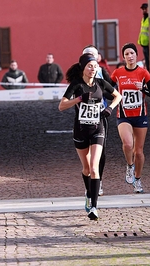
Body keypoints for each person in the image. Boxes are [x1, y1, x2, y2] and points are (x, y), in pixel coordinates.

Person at [58, 53, 122, 220]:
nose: (93, 69)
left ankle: (94, 207)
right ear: (83, 68)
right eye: (90, 66)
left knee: (95, 168)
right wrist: (79, 98)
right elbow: (61, 106)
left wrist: (109, 108)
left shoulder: (101, 83)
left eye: (95, 66)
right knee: (86, 169)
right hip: (80, 131)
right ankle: (88, 193)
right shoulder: (76, 85)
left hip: (97, 129)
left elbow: (118, 96)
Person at [110, 42, 150, 193]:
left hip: (140, 116)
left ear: (136, 55)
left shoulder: (143, 73)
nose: (130, 56)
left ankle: (138, 180)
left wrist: (143, 88)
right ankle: (129, 165)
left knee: (138, 151)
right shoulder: (117, 73)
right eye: (126, 54)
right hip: (124, 115)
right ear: (123, 57)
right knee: (127, 144)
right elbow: (108, 89)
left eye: (132, 53)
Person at [82, 45, 114, 196]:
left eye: (92, 55)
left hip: (100, 117)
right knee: (85, 151)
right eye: (86, 55)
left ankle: (98, 181)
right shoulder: (77, 74)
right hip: (83, 119)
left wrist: (108, 107)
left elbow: (112, 93)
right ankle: (89, 179)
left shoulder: (102, 72)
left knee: (100, 150)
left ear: (97, 58)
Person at [138, 3, 150, 71]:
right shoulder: (143, 19)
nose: (144, 10)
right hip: (144, 43)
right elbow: (142, 31)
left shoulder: (148, 19)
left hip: (148, 44)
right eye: (143, 9)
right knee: (147, 61)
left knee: (148, 61)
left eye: (145, 9)